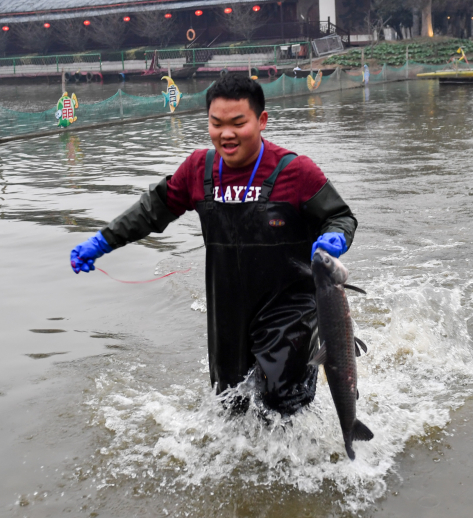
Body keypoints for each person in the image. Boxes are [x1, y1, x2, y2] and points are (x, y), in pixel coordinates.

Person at [69, 73, 357, 416]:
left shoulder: (296, 171)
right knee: (230, 401)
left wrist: (334, 236)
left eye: (238, 123)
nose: (226, 134)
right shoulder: (198, 169)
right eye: (216, 123)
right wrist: (102, 241)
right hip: (227, 306)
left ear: (261, 121)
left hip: (289, 305)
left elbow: (340, 216)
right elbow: (150, 211)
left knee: (282, 398)